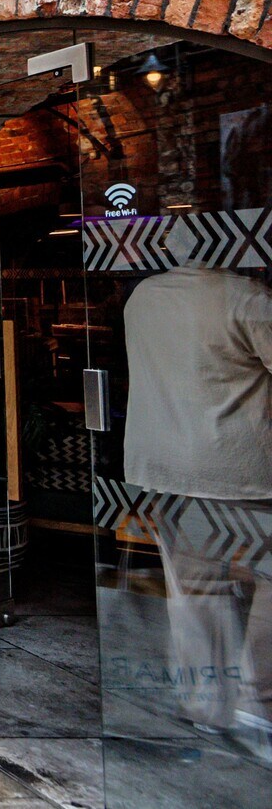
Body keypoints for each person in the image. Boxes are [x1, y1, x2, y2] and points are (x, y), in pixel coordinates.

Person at [121, 265, 272, 753]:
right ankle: (258, 700)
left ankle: (207, 703)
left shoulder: (143, 295)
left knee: (193, 590)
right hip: (237, 467)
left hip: (163, 467)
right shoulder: (247, 298)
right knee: (269, 581)